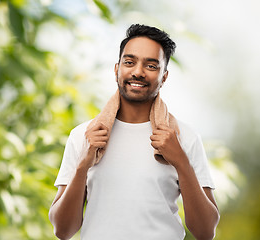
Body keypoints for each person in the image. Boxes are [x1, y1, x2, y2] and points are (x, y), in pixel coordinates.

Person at [49, 24, 220, 240]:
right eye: (129, 62)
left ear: (164, 77)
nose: (138, 72)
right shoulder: (83, 136)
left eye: (151, 65)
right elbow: (62, 230)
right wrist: (83, 164)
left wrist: (181, 161)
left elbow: (205, 232)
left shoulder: (183, 138)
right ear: (116, 69)